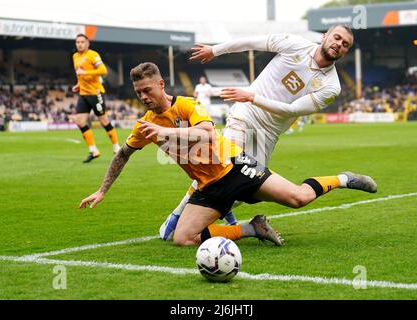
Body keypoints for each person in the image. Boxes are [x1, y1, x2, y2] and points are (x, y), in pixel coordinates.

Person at [79, 62, 377, 247]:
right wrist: (102, 190)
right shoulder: (145, 124)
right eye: (138, 92)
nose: (143, 97)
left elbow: (206, 133)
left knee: (298, 198)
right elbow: (122, 156)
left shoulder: (186, 104)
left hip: (235, 167)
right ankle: (252, 228)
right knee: (182, 239)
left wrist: (165, 134)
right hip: (208, 187)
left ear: (160, 84)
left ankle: (343, 179)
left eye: (147, 90)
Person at [160, 24, 354, 240]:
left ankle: (237, 220)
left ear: (346, 51)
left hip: (268, 132)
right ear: (325, 35)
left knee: (244, 186)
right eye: (337, 37)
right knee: (221, 163)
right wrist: (215, 50)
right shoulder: (294, 44)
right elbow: (250, 42)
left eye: (345, 44)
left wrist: (253, 97)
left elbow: (292, 110)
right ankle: (177, 216)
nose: (339, 44)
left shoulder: (332, 86)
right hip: (246, 112)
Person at [72, 33, 121, 163]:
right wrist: (78, 84)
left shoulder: (93, 55)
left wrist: (86, 72)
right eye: (77, 42)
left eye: (82, 42)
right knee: (80, 121)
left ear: (88, 43)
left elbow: (103, 70)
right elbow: (79, 75)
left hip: (95, 93)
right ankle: (93, 150)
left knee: (103, 121)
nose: (80, 44)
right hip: (83, 94)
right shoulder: (75, 56)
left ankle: (117, 148)